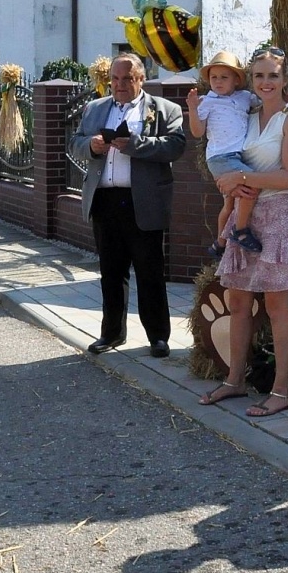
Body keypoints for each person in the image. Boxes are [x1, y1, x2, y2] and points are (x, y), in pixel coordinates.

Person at [196, 48, 288, 417]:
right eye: (259, 76)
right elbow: (220, 150)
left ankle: (281, 390)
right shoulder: (245, 114)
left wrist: (241, 177)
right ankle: (234, 381)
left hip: (277, 213)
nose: (265, 82)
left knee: (277, 306)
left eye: (272, 76)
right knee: (239, 302)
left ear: (285, 80)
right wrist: (227, 184)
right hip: (245, 211)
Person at [69, 53, 186, 357]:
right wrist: (92, 146)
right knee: (111, 271)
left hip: (143, 200)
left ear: (141, 79)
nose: (120, 85)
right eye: (115, 79)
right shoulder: (95, 109)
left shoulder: (165, 109)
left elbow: (176, 146)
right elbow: (75, 143)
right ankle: (111, 334)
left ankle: (158, 337)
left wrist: (137, 144)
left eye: (127, 79)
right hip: (105, 201)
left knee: (150, 271)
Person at [185, 50, 261, 258]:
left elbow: (265, 105)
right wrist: (193, 109)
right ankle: (241, 231)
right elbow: (198, 131)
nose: (217, 82)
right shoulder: (207, 101)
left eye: (224, 77)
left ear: (236, 80)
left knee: (229, 202)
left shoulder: (246, 97)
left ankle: (219, 243)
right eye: (213, 77)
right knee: (252, 183)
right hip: (220, 158)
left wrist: (286, 99)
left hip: (237, 156)